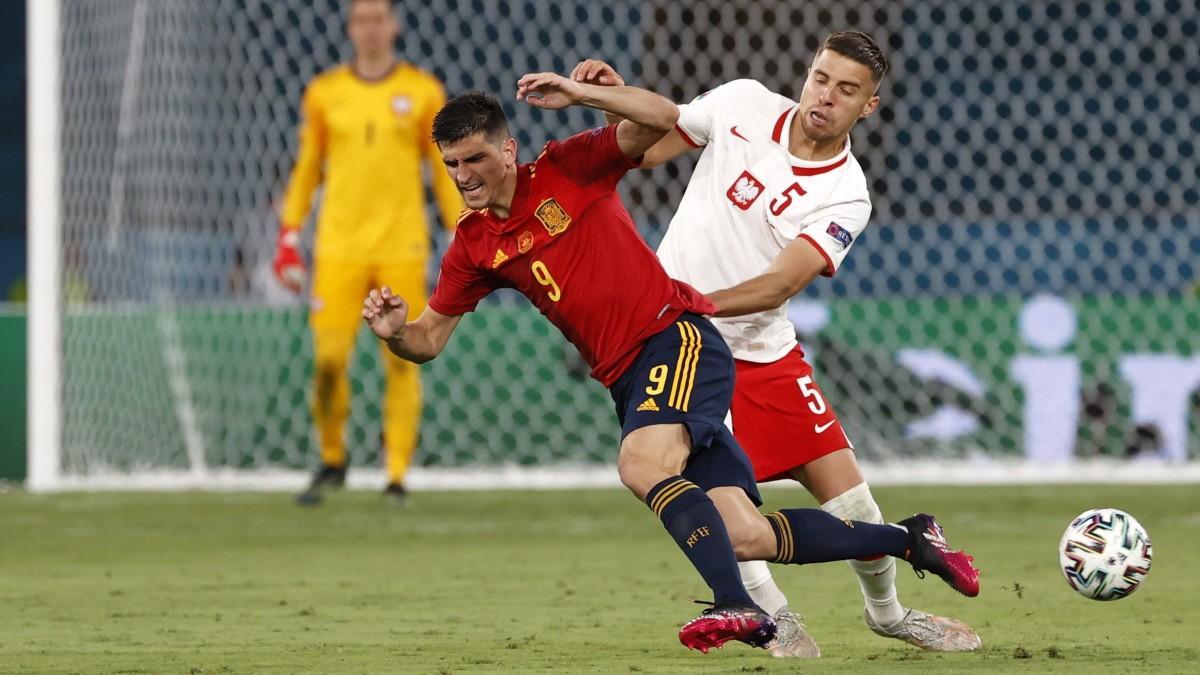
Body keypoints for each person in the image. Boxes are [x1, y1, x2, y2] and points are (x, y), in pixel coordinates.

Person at [360, 76, 980, 652]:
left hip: (675, 341)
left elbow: (660, 118)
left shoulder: (567, 167)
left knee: (640, 463)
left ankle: (738, 606)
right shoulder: (473, 245)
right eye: (451, 166)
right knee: (744, 534)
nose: (464, 176)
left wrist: (582, 92)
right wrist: (395, 333)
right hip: (627, 381)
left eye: (474, 159)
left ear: (507, 148)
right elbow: (429, 339)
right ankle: (910, 539)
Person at [568, 32, 981, 656]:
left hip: (765, 350)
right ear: (807, 73)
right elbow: (647, 152)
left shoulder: (846, 193)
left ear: (868, 107)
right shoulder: (741, 104)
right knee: (726, 513)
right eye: (822, 78)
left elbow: (782, 282)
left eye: (848, 91)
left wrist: (698, 298)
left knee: (853, 499)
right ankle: (777, 619)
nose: (827, 96)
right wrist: (612, 103)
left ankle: (891, 614)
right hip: (685, 349)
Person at [274, 0, 463, 505]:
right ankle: (333, 457)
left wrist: (459, 227)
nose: (372, 29)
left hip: (402, 244)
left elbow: (445, 167)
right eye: (362, 19)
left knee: (403, 358)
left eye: (380, 18)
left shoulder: (423, 92)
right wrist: (289, 235)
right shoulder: (324, 93)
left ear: (394, 26)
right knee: (329, 362)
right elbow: (307, 166)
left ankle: (396, 473)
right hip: (339, 248)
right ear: (350, 28)